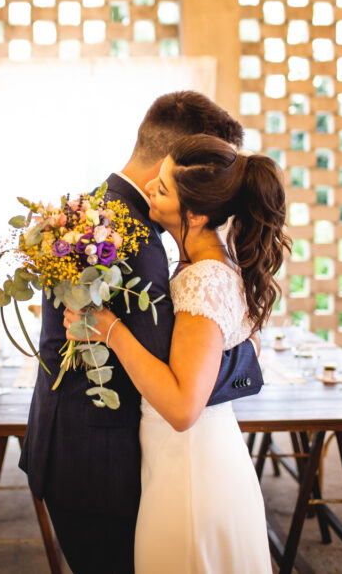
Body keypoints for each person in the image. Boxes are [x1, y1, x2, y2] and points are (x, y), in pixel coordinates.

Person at [19, 91, 264, 574]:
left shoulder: (93, 209)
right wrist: (246, 359)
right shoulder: (133, 236)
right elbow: (175, 379)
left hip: (71, 447)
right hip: (100, 465)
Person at [64, 134, 290, 573]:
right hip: (197, 457)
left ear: (197, 213)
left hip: (191, 472)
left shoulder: (202, 279)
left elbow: (185, 406)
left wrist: (111, 331)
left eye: (163, 188)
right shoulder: (209, 263)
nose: (150, 187)